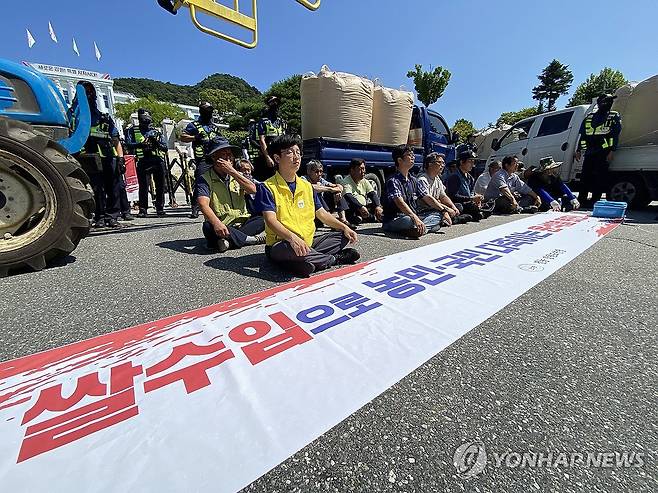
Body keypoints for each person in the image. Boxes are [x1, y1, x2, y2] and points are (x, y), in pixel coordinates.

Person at [252, 135, 359, 278]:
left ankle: (304, 261)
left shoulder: (307, 186)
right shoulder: (267, 187)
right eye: (290, 152)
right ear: (277, 158)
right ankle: (332, 259)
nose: (296, 157)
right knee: (289, 249)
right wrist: (292, 238)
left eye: (298, 152)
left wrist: (344, 227)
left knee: (342, 236)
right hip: (282, 243)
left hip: (308, 242)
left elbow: (322, 214)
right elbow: (271, 220)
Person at [197, 137, 265, 252]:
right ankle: (252, 240)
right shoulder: (205, 178)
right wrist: (217, 224)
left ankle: (228, 242)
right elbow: (203, 205)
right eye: (224, 154)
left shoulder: (237, 175)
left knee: (263, 218)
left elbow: (253, 190)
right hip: (221, 224)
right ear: (214, 158)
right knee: (208, 227)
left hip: (243, 223)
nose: (229, 158)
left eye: (230, 155)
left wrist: (232, 172)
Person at [74, 82, 125, 228]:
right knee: (96, 190)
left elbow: (116, 140)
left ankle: (112, 217)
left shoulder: (104, 118)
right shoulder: (75, 118)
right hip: (89, 159)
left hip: (108, 158)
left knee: (113, 189)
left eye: (90, 92)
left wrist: (120, 159)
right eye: (85, 92)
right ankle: (99, 216)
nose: (89, 96)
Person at [382, 145, 444, 238]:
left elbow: (426, 197)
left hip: (414, 215)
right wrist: (415, 218)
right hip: (396, 218)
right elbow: (400, 202)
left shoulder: (413, 180)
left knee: (437, 215)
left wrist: (443, 211)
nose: (413, 156)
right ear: (399, 160)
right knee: (409, 221)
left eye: (413, 154)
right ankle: (421, 228)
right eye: (409, 154)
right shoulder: (393, 180)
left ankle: (419, 229)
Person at [576, 94, 622, 206]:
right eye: (605, 102)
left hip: (603, 151)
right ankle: (581, 199)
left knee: (599, 177)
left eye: (609, 102)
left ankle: (595, 200)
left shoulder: (613, 116)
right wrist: (578, 150)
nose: (607, 104)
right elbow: (583, 136)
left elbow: (615, 135)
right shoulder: (590, 117)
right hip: (590, 151)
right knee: (585, 176)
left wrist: (612, 151)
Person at [181, 102, 224, 218]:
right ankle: (195, 208)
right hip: (203, 158)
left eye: (209, 110)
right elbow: (183, 137)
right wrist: (195, 137)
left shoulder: (214, 127)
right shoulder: (194, 125)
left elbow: (222, 139)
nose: (208, 112)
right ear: (200, 111)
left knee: (220, 181)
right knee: (201, 182)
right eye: (205, 110)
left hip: (215, 157)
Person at [125, 109, 168, 217]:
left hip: (157, 160)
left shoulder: (156, 131)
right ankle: (143, 209)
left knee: (160, 186)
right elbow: (128, 144)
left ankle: (160, 208)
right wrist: (141, 145)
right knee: (143, 186)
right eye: (144, 120)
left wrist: (156, 142)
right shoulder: (132, 130)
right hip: (143, 160)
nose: (146, 123)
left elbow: (165, 148)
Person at [417, 153, 473, 225]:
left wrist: (453, 207)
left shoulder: (437, 179)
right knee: (438, 217)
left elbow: (443, 196)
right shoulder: (422, 179)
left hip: (437, 206)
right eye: (439, 162)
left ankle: (448, 219)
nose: (442, 165)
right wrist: (445, 209)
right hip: (426, 209)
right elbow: (429, 200)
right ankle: (447, 220)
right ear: (430, 164)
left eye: (443, 163)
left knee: (458, 207)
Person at [445, 150, 490, 221]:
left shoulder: (470, 178)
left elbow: (472, 193)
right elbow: (453, 196)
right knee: (460, 207)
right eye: (470, 161)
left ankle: (474, 214)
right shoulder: (455, 176)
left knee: (489, 204)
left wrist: (477, 200)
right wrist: (471, 199)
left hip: (468, 203)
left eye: (473, 162)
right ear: (461, 162)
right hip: (459, 203)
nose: (472, 164)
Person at [302, 160, 350, 225]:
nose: (319, 174)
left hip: (322, 207)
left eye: (321, 171)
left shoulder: (321, 180)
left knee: (337, 193)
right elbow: (312, 188)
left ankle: (343, 220)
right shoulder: (303, 179)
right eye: (316, 172)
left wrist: (337, 191)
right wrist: (330, 189)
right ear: (309, 172)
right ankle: (332, 221)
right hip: (311, 210)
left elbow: (339, 186)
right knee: (316, 193)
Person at [254, 96, 287, 181]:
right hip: (269, 155)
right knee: (268, 179)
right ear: (269, 104)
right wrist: (267, 157)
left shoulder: (281, 121)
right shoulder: (263, 121)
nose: (275, 104)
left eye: (277, 102)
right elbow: (262, 140)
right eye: (273, 102)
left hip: (280, 155)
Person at [341, 158, 383, 225]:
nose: (363, 171)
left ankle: (373, 217)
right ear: (352, 170)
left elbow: (372, 194)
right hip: (354, 208)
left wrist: (378, 206)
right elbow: (348, 196)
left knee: (379, 207)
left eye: (364, 169)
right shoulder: (346, 181)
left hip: (364, 207)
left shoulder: (364, 180)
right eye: (360, 169)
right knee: (353, 212)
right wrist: (360, 207)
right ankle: (362, 218)